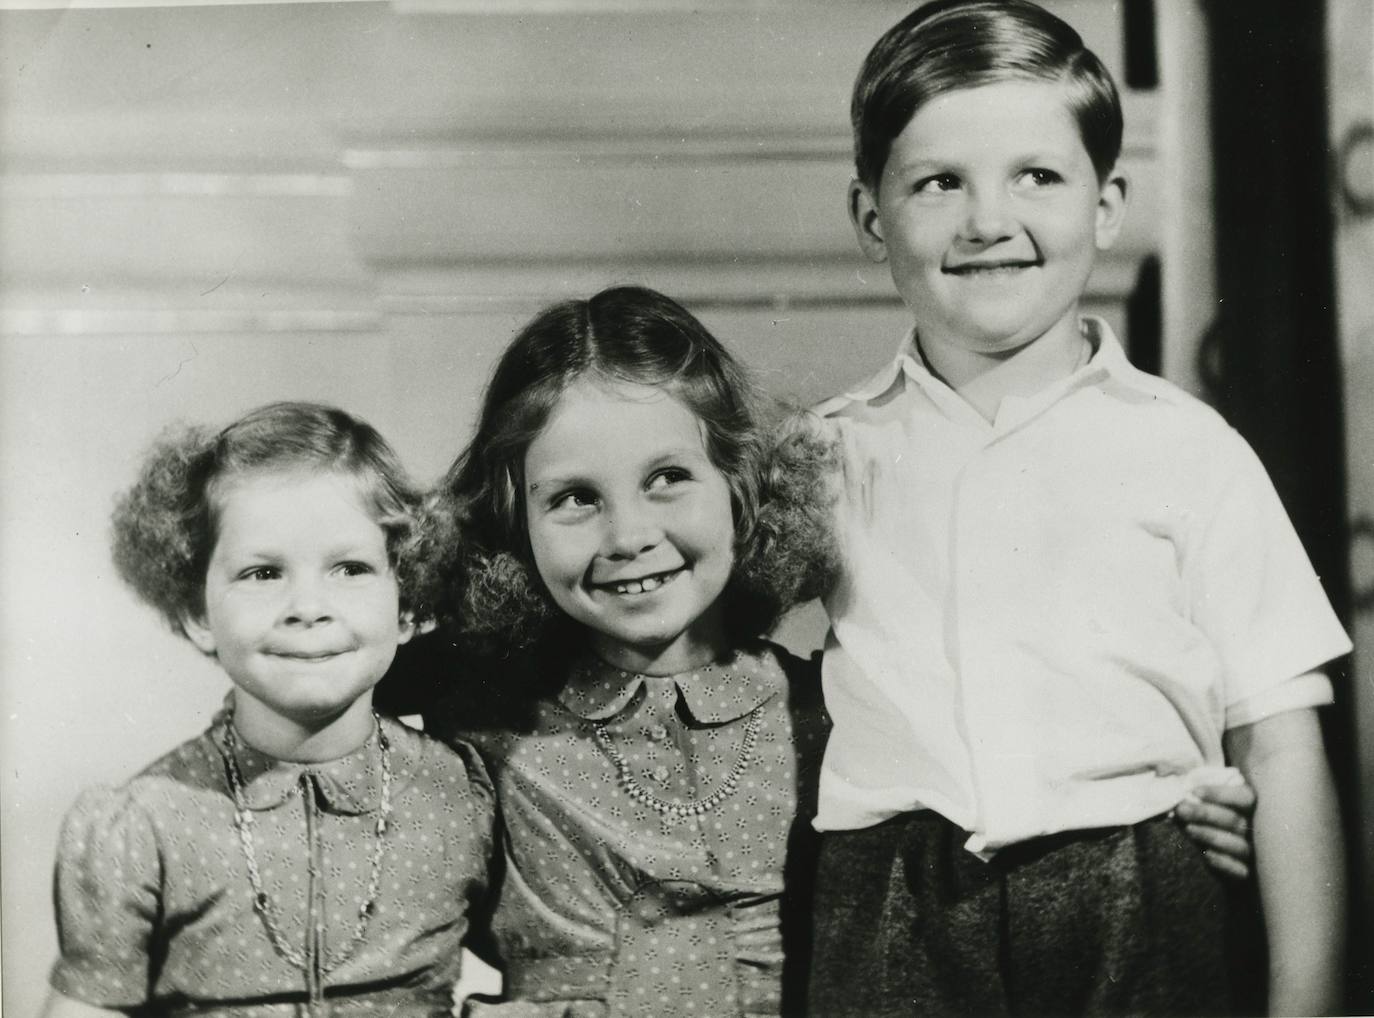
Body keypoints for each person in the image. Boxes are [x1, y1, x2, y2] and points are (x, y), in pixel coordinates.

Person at [399, 284, 1257, 1018]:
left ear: (741, 487)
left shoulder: (833, 715)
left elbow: (1007, 785)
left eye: (668, 478)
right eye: (574, 498)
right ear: (515, 519)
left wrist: (1184, 801)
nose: (629, 535)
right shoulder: (475, 724)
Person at [806, 2, 1351, 1015]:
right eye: (939, 182)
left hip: (1142, 895)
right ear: (872, 217)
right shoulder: (823, 457)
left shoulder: (1190, 451)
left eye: (1038, 177)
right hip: (894, 910)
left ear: (1106, 206)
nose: (987, 220)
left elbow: (1280, 745)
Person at [42, 402, 495, 1018]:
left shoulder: (460, 795)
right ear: (197, 613)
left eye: (351, 568)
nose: (308, 607)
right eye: (262, 573)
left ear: (409, 602)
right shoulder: (144, 824)